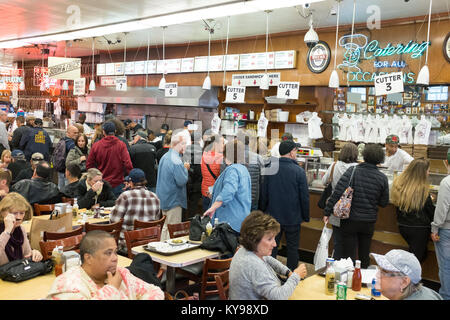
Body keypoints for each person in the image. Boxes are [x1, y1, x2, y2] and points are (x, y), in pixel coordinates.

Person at [46, 230, 164, 300]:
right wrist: (111, 289)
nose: (115, 258)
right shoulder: (68, 286)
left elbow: (154, 291)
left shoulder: (120, 274)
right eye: (108, 253)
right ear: (89, 258)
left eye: (115, 252)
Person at [324, 144, 389, 268]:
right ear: (380, 159)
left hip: (350, 220)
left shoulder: (353, 171)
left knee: (349, 254)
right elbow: (384, 202)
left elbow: (337, 192)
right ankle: (363, 280)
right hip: (368, 221)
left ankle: (349, 280)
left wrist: (327, 212)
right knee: (364, 254)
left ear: (364, 156)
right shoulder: (382, 178)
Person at [229, 211, 307, 300]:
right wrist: (296, 276)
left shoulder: (244, 250)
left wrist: (287, 272)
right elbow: (278, 297)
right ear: (254, 240)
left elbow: (268, 259)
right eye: (270, 239)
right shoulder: (254, 265)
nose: (275, 244)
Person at [260, 140, 310, 271]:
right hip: (293, 217)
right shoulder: (299, 171)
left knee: (271, 246)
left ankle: (270, 273)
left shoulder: (270, 168)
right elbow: (304, 197)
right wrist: (305, 216)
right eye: (296, 150)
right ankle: (292, 275)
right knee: (293, 248)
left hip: (273, 216)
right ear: (291, 152)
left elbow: (263, 193)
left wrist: (262, 211)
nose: (296, 153)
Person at [390, 158, 435, 262]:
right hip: (419, 229)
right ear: (422, 173)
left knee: (415, 254)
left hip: (403, 226)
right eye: (428, 170)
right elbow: (430, 211)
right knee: (416, 259)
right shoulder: (422, 190)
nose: (429, 173)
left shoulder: (400, 185)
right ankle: (409, 278)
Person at [203, 139, 251, 235]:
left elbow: (228, 191)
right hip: (240, 220)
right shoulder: (243, 169)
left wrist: (213, 207)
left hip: (229, 222)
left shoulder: (232, 170)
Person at [110, 168, 161, 252]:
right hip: (148, 243)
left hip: (128, 244)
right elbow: (156, 220)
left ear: (130, 182)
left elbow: (114, 221)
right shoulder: (155, 197)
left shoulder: (125, 196)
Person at [321, 142, 359, 254]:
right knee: (351, 244)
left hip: (335, 207)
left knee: (338, 242)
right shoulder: (356, 168)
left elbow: (324, 182)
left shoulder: (334, 165)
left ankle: (336, 266)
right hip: (351, 209)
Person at [371, 249, 442, 300]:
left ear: (404, 282)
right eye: (379, 269)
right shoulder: (424, 292)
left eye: (384, 272)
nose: (377, 274)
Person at [86, 122, 133, 198]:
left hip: (101, 184)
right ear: (115, 132)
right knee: (118, 207)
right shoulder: (121, 145)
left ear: (103, 132)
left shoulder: (96, 146)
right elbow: (128, 164)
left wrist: (93, 180)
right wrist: (130, 179)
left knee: (102, 207)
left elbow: (89, 165)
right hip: (118, 184)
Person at [156, 133, 189, 241]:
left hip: (163, 198)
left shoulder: (165, 157)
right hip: (174, 199)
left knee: (165, 227)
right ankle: (170, 255)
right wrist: (185, 169)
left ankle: (161, 252)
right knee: (173, 230)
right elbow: (181, 181)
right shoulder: (176, 160)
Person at [0, 192, 42, 266]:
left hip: (16, 273)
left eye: (22, 213)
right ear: (2, 213)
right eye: (14, 213)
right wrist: (7, 232)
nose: (18, 217)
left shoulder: (20, 230)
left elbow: (26, 255)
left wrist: (34, 253)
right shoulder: (4, 232)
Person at [431, 148, 450, 300]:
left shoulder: (447, 182)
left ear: (446, 162)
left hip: (447, 230)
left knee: (446, 266)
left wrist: (434, 228)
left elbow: (442, 208)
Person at [201, 133, 224, 211]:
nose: (224, 145)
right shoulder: (221, 158)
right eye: (222, 143)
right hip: (215, 193)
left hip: (205, 191)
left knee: (206, 217)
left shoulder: (204, 155)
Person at [183, 132, 203, 220]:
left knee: (185, 203)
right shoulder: (202, 150)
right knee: (194, 205)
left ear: (191, 140)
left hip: (187, 180)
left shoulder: (186, 150)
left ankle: (183, 222)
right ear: (200, 140)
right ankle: (192, 224)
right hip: (198, 182)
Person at [53, 125, 78, 190]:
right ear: (68, 133)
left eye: (77, 133)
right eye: (74, 133)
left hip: (60, 168)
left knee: (60, 188)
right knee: (67, 190)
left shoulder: (62, 140)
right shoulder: (71, 144)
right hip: (67, 171)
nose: (76, 134)